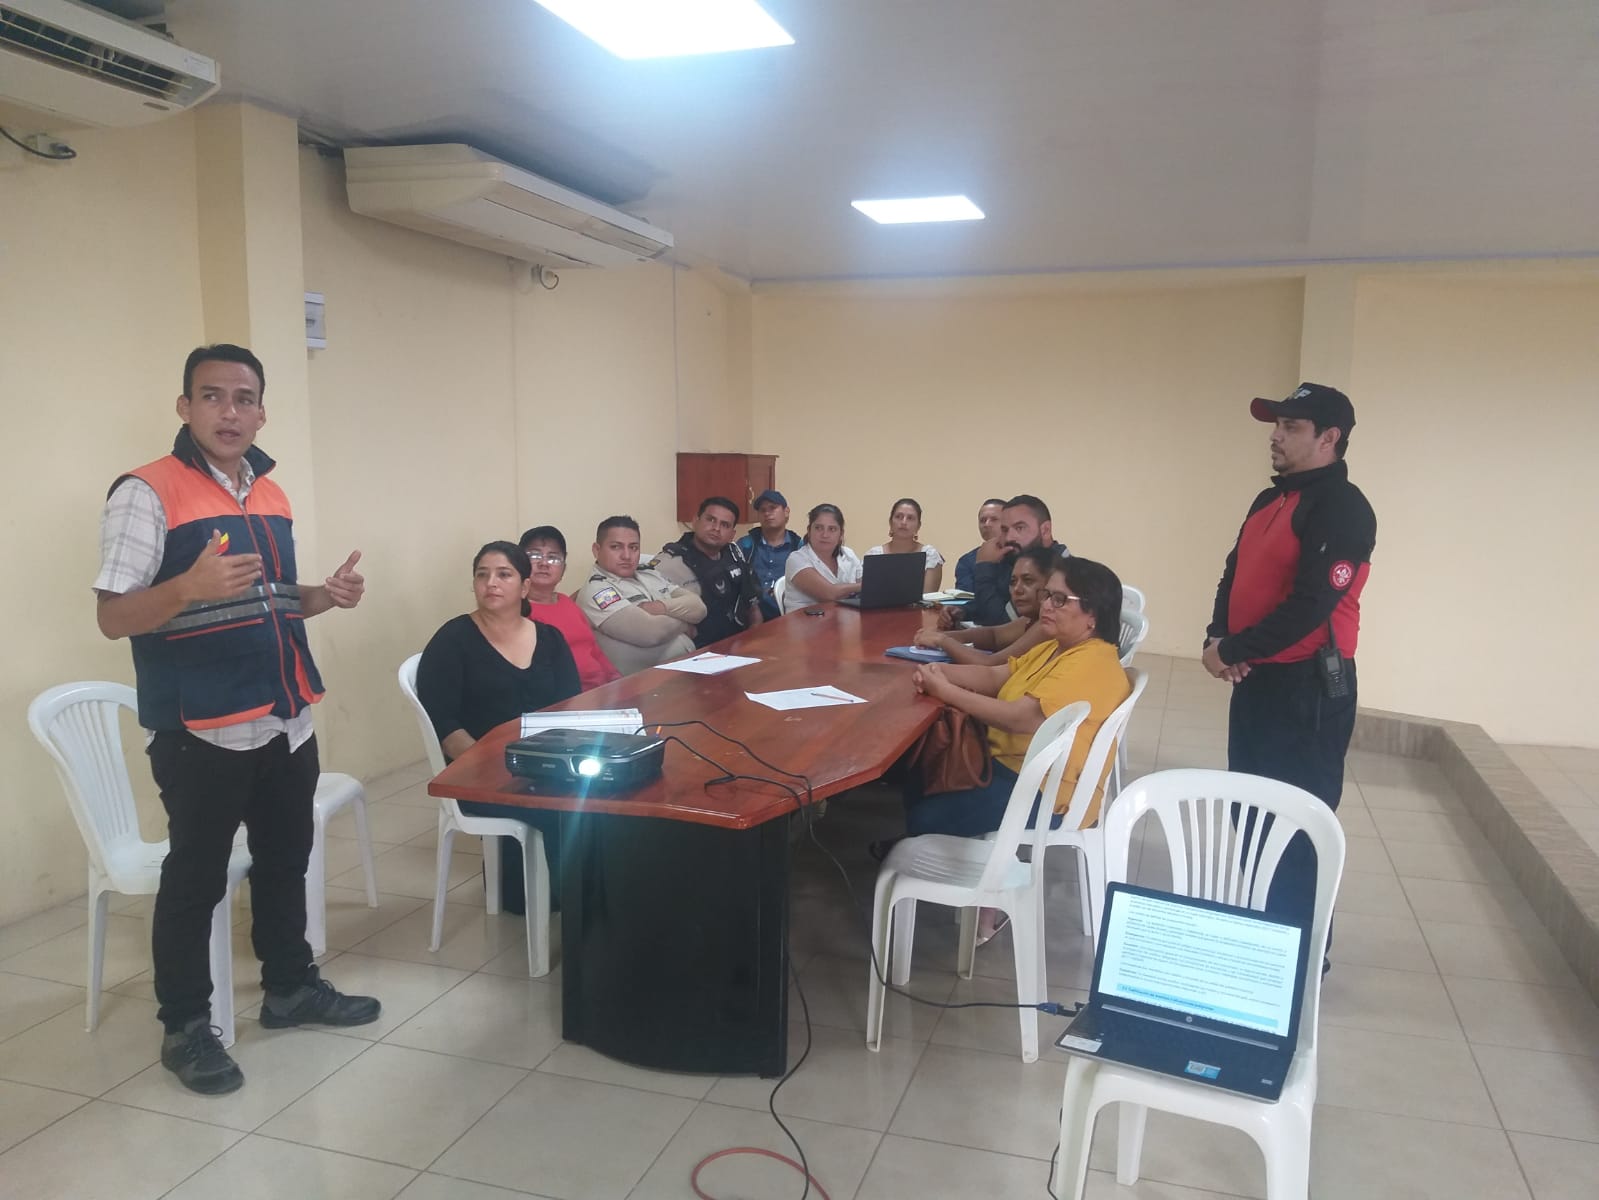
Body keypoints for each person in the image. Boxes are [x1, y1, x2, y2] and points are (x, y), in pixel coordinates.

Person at [93, 344, 379, 1097]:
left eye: (243, 398)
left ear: (261, 412)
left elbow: (273, 600)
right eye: (212, 396)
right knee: (196, 879)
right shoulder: (146, 492)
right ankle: (186, 1026)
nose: (229, 411)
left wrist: (324, 595)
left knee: (286, 860)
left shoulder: (269, 493)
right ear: (185, 407)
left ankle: (289, 988)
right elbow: (113, 617)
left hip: (284, 715)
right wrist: (185, 586)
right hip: (203, 730)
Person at [1203, 383, 1375, 960]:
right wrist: (1218, 638)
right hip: (1258, 679)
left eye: (1291, 426)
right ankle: (1264, 936)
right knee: (1250, 813)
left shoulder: (1343, 508)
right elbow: (1233, 574)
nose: (1275, 436)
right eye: (1276, 425)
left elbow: (1312, 606)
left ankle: (1300, 960)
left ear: (1330, 438)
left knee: (1299, 825)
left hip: (1308, 690)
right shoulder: (1268, 499)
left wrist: (1235, 649)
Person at [905, 556, 1131, 941]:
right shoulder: (1057, 646)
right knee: (917, 777)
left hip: (1045, 791)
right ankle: (917, 847)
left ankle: (937, 868)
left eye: (1060, 599)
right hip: (1015, 765)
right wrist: (937, 673)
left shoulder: (1092, 663)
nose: (1046, 605)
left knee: (923, 814)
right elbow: (996, 676)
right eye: (1047, 595)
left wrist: (946, 691)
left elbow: (1019, 718)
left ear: (1092, 615)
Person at [417, 541, 581, 914]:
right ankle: (577, 912)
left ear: (525, 587)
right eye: (482, 574)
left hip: (547, 763)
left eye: (504, 574)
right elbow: (444, 725)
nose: (491, 582)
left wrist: (553, 759)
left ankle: (595, 900)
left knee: (606, 795)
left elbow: (569, 707)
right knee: (565, 809)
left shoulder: (549, 639)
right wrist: (502, 764)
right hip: (481, 772)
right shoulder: (453, 640)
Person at [575, 516, 706, 674]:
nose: (626, 555)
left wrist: (660, 607)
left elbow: (698, 607)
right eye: (616, 547)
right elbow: (651, 632)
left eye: (633, 547)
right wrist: (686, 623)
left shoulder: (648, 573)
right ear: (597, 550)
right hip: (639, 682)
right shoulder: (598, 591)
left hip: (683, 670)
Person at [913, 544, 1054, 665]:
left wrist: (942, 640)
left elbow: (991, 663)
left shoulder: (1048, 624)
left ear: (1051, 584)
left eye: (1028, 581)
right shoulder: (1030, 618)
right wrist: (945, 635)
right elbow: (994, 636)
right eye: (1013, 582)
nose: (1017, 589)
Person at [518, 525, 619, 691]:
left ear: (563, 569)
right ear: (519, 564)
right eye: (534, 555)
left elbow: (594, 650)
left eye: (553, 557)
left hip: (601, 692)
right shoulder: (517, 611)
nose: (544, 563)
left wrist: (617, 682)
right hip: (567, 698)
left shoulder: (567, 602)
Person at [653, 496, 763, 646]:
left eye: (724, 525)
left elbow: (753, 608)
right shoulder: (670, 563)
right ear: (695, 521)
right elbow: (653, 617)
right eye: (710, 520)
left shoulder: (734, 555)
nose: (716, 528)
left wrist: (753, 640)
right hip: (695, 650)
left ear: (732, 535)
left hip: (738, 645)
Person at [968, 494, 1063, 626]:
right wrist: (961, 612)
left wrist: (984, 567)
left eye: (1019, 528)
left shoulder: (1061, 570)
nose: (1009, 538)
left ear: (1045, 530)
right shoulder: (1014, 558)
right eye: (1005, 530)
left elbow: (1001, 624)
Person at [781, 503, 864, 612]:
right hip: (804, 621)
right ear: (809, 531)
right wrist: (863, 586)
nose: (825, 535)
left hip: (841, 619)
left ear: (841, 534)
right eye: (818, 528)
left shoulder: (848, 554)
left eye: (832, 529)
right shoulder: (796, 559)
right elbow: (830, 594)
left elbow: (866, 587)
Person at [738, 489, 802, 620]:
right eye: (762, 510)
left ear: (786, 512)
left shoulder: (799, 547)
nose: (767, 513)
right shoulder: (746, 545)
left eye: (772, 508)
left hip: (789, 617)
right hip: (750, 617)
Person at [865, 497, 945, 592]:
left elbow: (928, 597)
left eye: (910, 518)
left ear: (918, 526)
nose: (903, 522)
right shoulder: (874, 554)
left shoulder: (929, 555)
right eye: (898, 517)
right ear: (890, 522)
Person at [953, 498, 1006, 594]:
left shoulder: (1020, 555)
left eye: (994, 519)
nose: (987, 524)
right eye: (983, 520)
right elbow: (966, 596)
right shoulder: (966, 561)